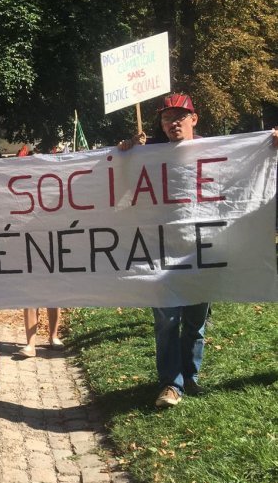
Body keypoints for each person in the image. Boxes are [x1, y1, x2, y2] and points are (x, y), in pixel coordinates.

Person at [118, 93, 278, 407]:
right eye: (166, 117)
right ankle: (170, 384)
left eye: (180, 116)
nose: (173, 122)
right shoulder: (149, 153)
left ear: (194, 119)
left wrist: (269, 145)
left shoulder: (216, 152)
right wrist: (126, 149)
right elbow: (120, 182)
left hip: (201, 251)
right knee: (166, 321)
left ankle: (189, 376)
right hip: (161, 254)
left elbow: (244, 178)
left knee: (195, 321)